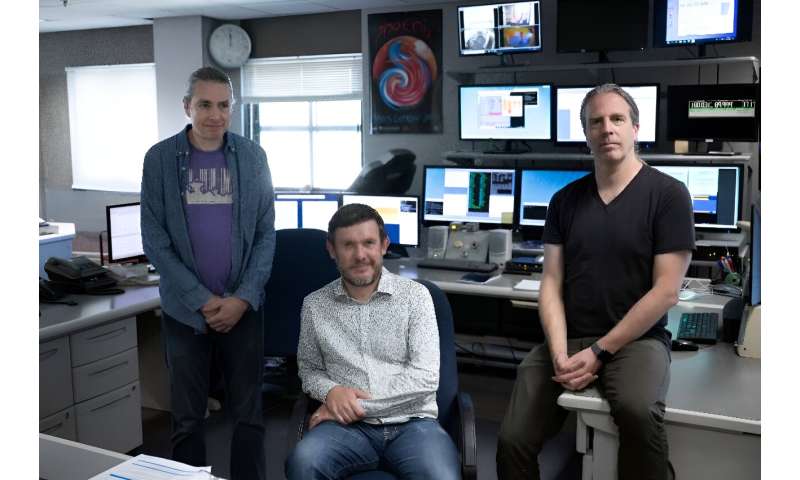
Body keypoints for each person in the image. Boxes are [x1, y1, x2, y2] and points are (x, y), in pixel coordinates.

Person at [496, 83, 695, 480]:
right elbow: (550, 283)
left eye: (617, 119)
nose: (607, 129)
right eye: (596, 122)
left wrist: (600, 351)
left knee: (638, 414)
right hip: (570, 338)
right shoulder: (565, 201)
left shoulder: (669, 195)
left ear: (635, 128)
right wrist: (557, 353)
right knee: (512, 440)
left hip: (635, 343)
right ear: (586, 134)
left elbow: (666, 291)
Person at [140, 66, 275, 480]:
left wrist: (241, 299)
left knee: (248, 416)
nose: (214, 115)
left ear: (231, 108)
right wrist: (202, 299)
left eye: (223, 105)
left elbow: (266, 234)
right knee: (186, 420)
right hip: (185, 314)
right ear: (187, 107)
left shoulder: (252, 157)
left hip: (243, 310)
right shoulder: (160, 160)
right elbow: (155, 240)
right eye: (204, 104)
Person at [285, 204, 460, 480]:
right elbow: (309, 370)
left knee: (441, 476)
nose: (360, 255)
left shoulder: (416, 297)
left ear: (384, 245)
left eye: (368, 243)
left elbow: (424, 379)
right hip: (345, 430)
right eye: (348, 245)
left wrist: (349, 407)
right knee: (303, 463)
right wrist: (331, 392)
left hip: (413, 425)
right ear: (331, 249)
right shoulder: (315, 305)